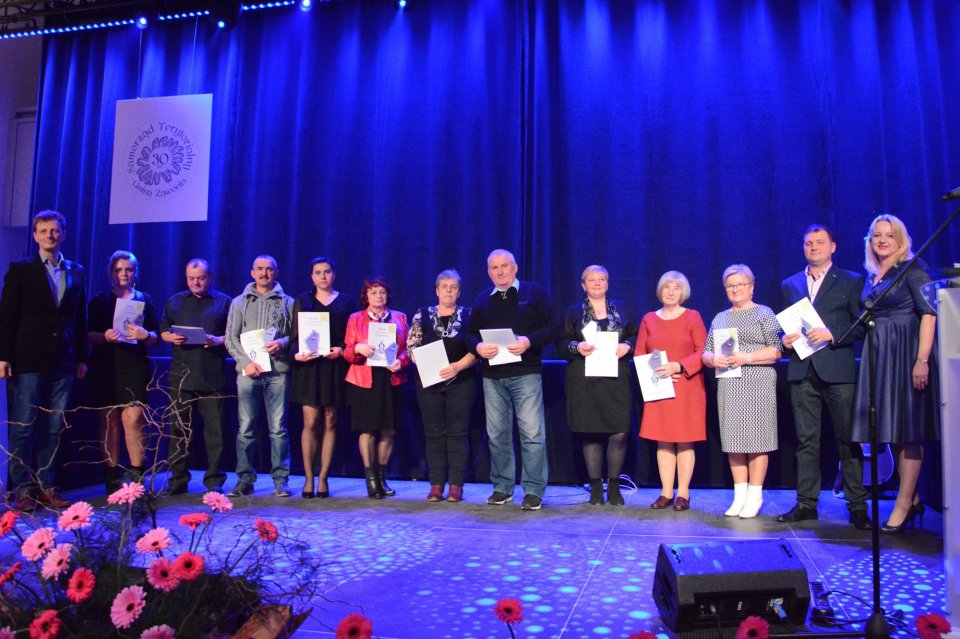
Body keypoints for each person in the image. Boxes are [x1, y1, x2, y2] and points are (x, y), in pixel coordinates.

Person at [777, 225, 871, 530]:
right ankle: (806, 503)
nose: (813, 247)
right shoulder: (790, 284)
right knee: (806, 441)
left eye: (819, 242)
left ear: (833, 246)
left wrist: (832, 334)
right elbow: (783, 326)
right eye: (808, 243)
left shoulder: (852, 280)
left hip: (838, 371)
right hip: (802, 370)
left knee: (848, 439)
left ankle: (857, 506)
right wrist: (783, 341)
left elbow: (862, 325)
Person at [851, 214, 940, 533]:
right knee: (893, 431)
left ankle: (903, 505)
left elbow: (929, 314)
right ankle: (911, 498)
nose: (882, 240)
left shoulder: (912, 270)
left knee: (909, 431)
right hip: (880, 355)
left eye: (889, 235)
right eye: (877, 235)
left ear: (901, 240)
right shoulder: (872, 274)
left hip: (905, 353)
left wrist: (922, 360)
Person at [0, 210, 87, 511]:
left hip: (63, 360)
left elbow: (79, 317)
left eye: (55, 230)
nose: (51, 235)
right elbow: (7, 315)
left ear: (63, 234)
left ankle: (46, 486)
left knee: (54, 425)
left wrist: (81, 357)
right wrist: (3, 356)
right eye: (44, 230)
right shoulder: (21, 269)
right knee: (24, 425)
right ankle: (22, 490)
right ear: (36, 236)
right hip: (28, 359)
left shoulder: (76, 270)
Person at [466, 249, 557, 511]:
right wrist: (478, 347)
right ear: (488, 272)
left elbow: (552, 327)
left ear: (515, 268)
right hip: (493, 376)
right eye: (494, 268)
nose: (500, 271)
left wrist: (529, 341)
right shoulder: (483, 299)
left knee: (532, 434)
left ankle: (533, 490)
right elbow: (470, 335)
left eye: (504, 266)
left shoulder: (534, 293)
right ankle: (502, 487)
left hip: (525, 373)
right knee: (497, 434)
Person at [702, 264, 782, 519]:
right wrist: (713, 359)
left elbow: (776, 350)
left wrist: (745, 357)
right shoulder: (720, 318)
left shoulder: (764, 313)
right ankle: (739, 495)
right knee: (734, 439)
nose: (735, 289)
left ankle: (755, 494)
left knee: (757, 439)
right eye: (730, 286)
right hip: (729, 382)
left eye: (740, 284)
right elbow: (706, 352)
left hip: (758, 381)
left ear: (751, 287)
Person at [557, 265, 635, 506]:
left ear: (607, 283)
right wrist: (576, 347)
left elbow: (635, 336)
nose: (597, 283)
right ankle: (595, 487)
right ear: (584, 285)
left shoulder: (621, 308)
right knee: (590, 432)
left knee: (619, 432)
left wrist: (627, 346)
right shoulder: (573, 312)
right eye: (592, 280)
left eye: (602, 279)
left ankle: (614, 485)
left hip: (616, 378)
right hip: (584, 379)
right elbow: (561, 344)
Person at [87, 250, 159, 493]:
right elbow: (88, 335)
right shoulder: (100, 301)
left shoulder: (144, 299)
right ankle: (112, 479)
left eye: (128, 269)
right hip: (106, 365)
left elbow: (156, 336)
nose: (124, 274)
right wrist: (104, 336)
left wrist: (145, 334)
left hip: (135, 365)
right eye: (118, 270)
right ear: (111, 272)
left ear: (135, 272)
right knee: (110, 421)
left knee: (133, 419)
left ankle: (137, 480)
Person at [635, 271, 707, 512]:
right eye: (667, 286)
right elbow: (640, 353)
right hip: (659, 385)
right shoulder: (648, 319)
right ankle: (666, 492)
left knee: (685, 440)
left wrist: (679, 366)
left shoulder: (693, 317)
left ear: (683, 292)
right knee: (663, 439)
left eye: (677, 287)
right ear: (660, 290)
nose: (671, 291)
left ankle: (683, 493)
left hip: (687, 385)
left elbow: (703, 351)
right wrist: (656, 372)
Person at [159, 258, 232, 495]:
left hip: (213, 376)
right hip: (181, 377)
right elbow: (163, 330)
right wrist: (170, 337)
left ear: (209, 277)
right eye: (191, 278)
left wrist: (218, 340)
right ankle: (178, 481)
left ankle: (214, 482)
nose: (196, 283)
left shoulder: (224, 301)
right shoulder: (175, 301)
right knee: (178, 432)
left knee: (215, 433)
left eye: (200, 278)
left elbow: (234, 335)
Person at [224, 255, 294, 498]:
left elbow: (296, 335)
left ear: (276, 273)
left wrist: (282, 343)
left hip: (278, 373)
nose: (264, 273)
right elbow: (230, 338)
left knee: (278, 430)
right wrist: (246, 362)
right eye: (260, 269)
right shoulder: (239, 302)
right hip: (249, 374)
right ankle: (245, 480)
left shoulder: (288, 302)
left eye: (269, 269)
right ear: (252, 272)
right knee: (246, 429)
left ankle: (281, 480)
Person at [407, 270, 477, 502]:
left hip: (461, 381)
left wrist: (458, 366)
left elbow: (477, 349)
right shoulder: (422, 314)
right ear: (437, 291)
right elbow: (412, 346)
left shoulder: (469, 315)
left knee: (458, 433)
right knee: (434, 433)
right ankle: (436, 484)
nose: (448, 290)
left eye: (453, 287)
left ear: (459, 291)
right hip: (430, 382)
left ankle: (456, 485)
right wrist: (428, 366)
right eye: (444, 286)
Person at [290, 257, 356, 498]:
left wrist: (341, 350)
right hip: (309, 369)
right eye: (318, 272)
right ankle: (308, 478)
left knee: (330, 421)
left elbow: (352, 338)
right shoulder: (303, 300)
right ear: (312, 276)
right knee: (311, 423)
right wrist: (297, 355)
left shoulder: (346, 301)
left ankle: (323, 478)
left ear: (333, 274)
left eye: (327, 271)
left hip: (334, 367)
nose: (323, 276)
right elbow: (294, 336)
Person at [343, 277, 410, 499]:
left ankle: (382, 476)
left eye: (382, 292)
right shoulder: (356, 318)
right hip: (365, 380)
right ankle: (370, 478)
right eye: (373, 292)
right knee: (368, 429)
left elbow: (408, 349)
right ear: (366, 296)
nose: (378, 296)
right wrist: (358, 348)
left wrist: (401, 361)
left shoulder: (400, 317)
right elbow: (348, 352)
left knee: (389, 430)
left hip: (391, 379)